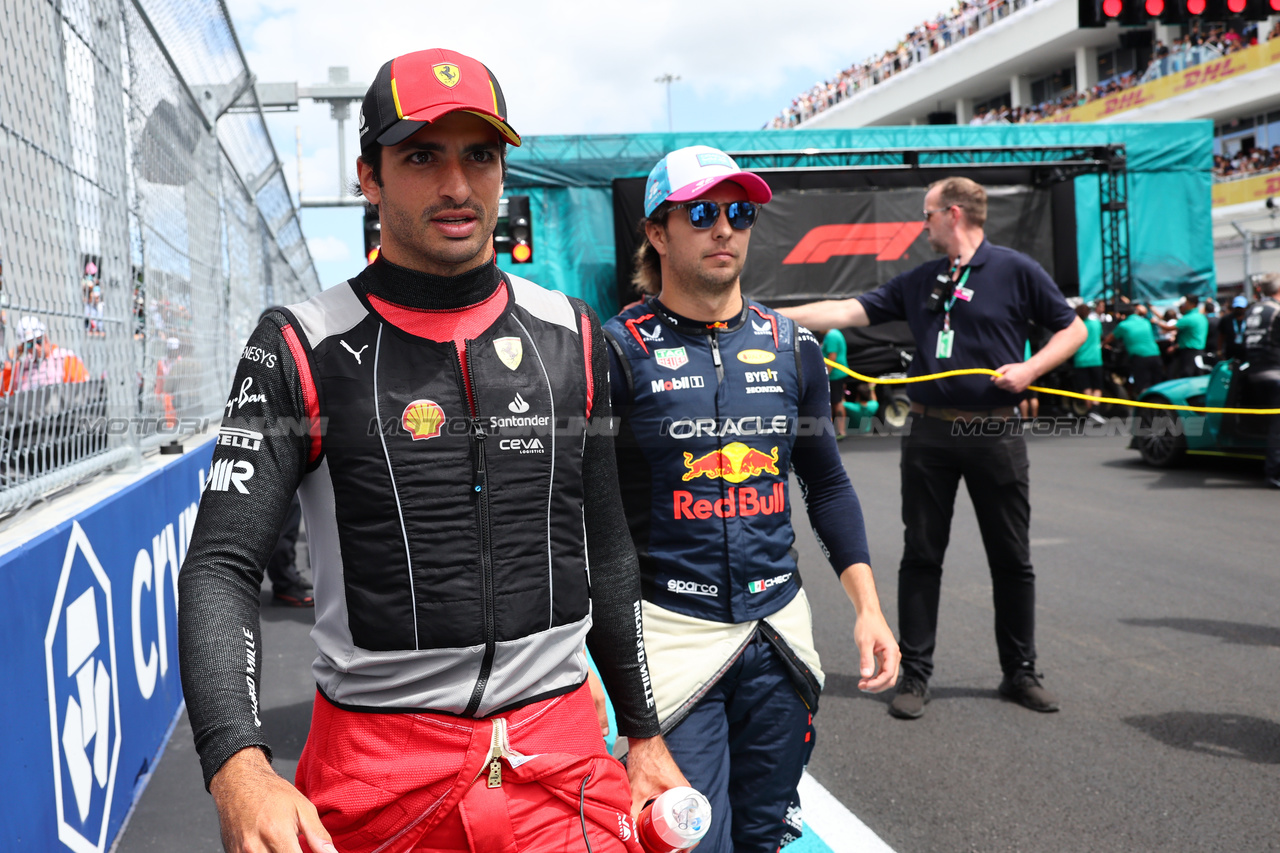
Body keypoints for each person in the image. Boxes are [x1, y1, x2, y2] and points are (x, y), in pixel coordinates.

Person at [178, 48, 685, 853]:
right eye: (422, 156)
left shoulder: (574, 336)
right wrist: (237, 764)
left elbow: (610, 549)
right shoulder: (299, 343)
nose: (457, 186)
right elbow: (221, 564)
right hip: (377, 781)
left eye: (479, 156)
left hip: (560, 770)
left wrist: (647, 732)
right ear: (369, 177)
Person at [604, 146, 899, 852]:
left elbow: (825, 481)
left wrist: (868, 607)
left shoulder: (792, 345)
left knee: (763, 836)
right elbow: (585, 515)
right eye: (702, 213)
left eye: (740, 212)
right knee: (690, 840)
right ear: (656, 231)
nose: (724, 229)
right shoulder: (616, 350)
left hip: (778, 633)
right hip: (669, 633)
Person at [779, 176, 1085, 719]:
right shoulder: (923, 280)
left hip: (994, 429)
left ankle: (1021, 672)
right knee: (922, 554)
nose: (922, 225)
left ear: (954, 213)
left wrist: (1031, 369)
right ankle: (915, 675)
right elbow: (847, 310)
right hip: (929, 431)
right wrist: (762, 314)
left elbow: (1073, 329)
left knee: (1011, 557)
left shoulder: (1015, 270)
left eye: (926, 215)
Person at [1242, 273, 1280, 488]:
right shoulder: (1276, 311)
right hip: (1276, 373)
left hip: (1254, 373)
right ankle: (1274, 474)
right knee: (1278, 428)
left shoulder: (1253, 310)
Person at [2, 316, 89, 394]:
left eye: (38, 341)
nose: (35, 347)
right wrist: (9, 362)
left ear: (46, 338)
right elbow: (4, 392)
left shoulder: (65, 358)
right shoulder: (21, 367)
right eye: (30, 344)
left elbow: (82, 392)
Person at [1106, 304, 1164, 396]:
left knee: (1143, 386)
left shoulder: (1123, 325)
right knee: (1157, 384)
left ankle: (1147, 408)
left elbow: (1109, 338)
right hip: (1155, 354)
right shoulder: (1145, 321)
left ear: (1124, 316)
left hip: (1140, 357)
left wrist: (1103, 344)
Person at [1155, 295, 1208, 378]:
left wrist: (1156, 321)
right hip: (1198, 350)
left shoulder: (1188, 318)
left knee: (1187, 375)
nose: (1183, 306)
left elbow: (1168, 328)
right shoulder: (1201, 317)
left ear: (1192, 304)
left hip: (1189, 353)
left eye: (1185, 304)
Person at [1072, 302, 1104, 418]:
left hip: (1080, 360)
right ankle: (1094, 411)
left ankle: (1091, 412)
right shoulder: (1096, 324)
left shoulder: (1076, 326)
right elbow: (1100, 337)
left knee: (1086, 387)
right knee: (1097, 387)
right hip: (1095, 359)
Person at [822, 326, 849, 438]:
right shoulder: (835, 333)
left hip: (835, 375)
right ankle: (840, 431)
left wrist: (826, 374)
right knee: (838, 400)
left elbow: (832, 357)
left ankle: (840, 431)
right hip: (839, 373)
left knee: (836, 402)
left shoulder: (832, 336)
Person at [1218, 294, 1249, 362]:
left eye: (1240, 308)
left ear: (1245, 307)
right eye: (1237, 307)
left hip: (1246, 352)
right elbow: (1221, 335)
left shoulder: (1249, 318)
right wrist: (1219, 350)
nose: (1239, 310)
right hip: (1230, 352)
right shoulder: (1226, 319)